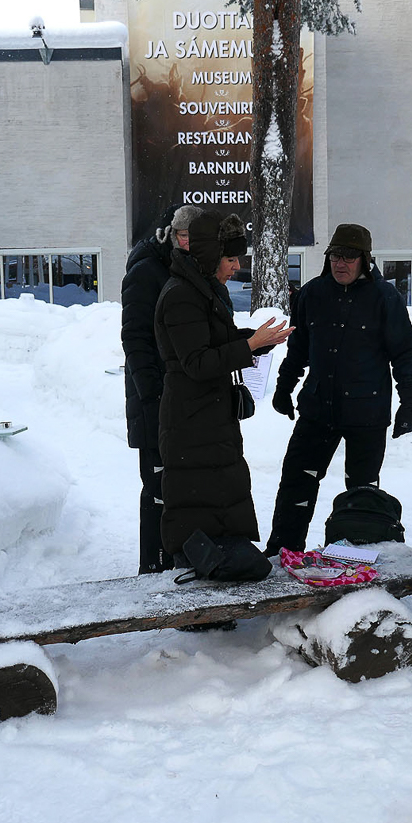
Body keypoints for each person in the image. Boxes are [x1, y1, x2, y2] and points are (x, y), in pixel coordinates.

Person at [265, 223, 412, 556]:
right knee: (297, 481)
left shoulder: (385, 298)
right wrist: (284, 387)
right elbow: (298, 350)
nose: (342, 263)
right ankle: (283, 551)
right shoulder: (312, 294)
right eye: (336, 255)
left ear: (365, 259)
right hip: (318, 410)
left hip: (368, 414)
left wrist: (409, 404)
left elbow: (405, 354)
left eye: (350, 257)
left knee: (363, 491)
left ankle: (359, 554)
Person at [154, 209, 292, 564]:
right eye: (231, 259)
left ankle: (222, 578)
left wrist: (260, 340)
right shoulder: (181, 295)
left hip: (209, 418)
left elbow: (218, 342)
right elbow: (197, 362)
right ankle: (199, 594)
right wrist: (249, 346)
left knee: (218, 500)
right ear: (210, 257)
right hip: (191, 423)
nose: (236, 267)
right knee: (195, 508)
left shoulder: (202, 290)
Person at [121, 203, 202, 574]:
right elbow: (136, 341)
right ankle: (151, 571)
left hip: (180, 400)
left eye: (195, 235)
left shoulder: (187, 267)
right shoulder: (146, 271)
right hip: (152, 399)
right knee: (157, 489)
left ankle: (177, 567)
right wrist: (153, 398)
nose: (190, 241)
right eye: (184, 234)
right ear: (169, 233)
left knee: (181, 488)